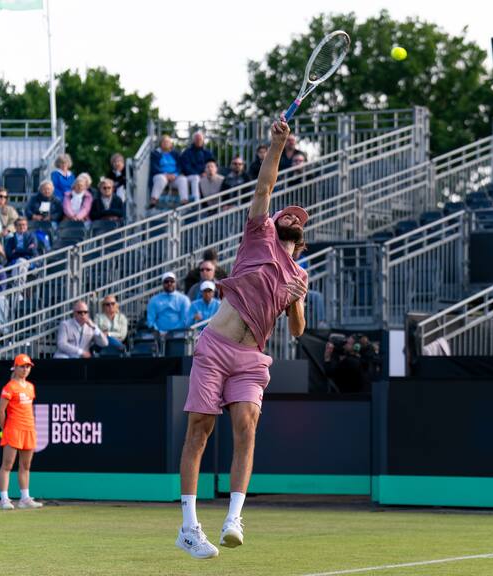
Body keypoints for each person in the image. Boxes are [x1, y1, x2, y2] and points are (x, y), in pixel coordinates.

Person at [176, 117, 308, 559]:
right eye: (287, 213)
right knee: (201, 429)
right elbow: (267, 186)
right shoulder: (259, 235)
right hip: (216, 346)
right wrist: (277, 145)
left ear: (301, 239)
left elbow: (297, 331)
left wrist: (298, 301)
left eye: (298, 220)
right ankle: (189, 527)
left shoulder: (300, 276)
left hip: (252, 358)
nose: (291, 216)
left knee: (247, 428)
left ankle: (234, 516)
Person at [0, 354, 43, 510]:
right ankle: (4, 499)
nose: (25, 369)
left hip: (29, 428)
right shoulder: (9, 387)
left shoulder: (30, 387)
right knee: (7, 465)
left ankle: (25, 498)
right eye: (22, 366)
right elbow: (0, 411)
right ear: (15, 368)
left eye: (28, 366)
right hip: (13, 429)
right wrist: (6, 429)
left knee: (26, 465)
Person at [150, 135, 189, 207]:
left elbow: (180, 166)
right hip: (161, 175)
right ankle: (154, 199)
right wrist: (165, 174)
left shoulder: (175, 154)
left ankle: (184, 201)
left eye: (168, 142)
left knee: (183, 179)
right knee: (161, 178)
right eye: (164, 141)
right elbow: (154, 167)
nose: (166, 143)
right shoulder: (155, 153)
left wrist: (175, 174)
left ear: (171, 144)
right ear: (160, 143)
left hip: (174, 176)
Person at [180, 132, 215, 201]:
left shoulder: (208, 153)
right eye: (197, 139)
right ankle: (196, 202)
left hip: (205, 175)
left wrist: (206, 173)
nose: (199, 141)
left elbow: (212, 164)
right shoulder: (187, 153)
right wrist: (199, 174)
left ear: (203, 140)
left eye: (200, 139)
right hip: (191, 176)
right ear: (193, 140)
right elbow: (186, 167)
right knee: (196, 178)